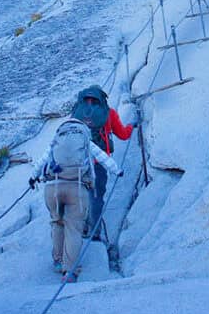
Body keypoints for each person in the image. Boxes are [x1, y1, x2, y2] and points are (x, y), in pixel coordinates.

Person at [29, 119, 122, 281]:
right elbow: (103, 157)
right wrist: (118, 171)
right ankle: (69, 271)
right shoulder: (86, 140)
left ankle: (58, 261)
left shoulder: (56, 141)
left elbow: (42, 160)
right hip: (77, 188)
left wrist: (32, 177)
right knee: (73, 228)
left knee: (57, 222)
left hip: (53, 188)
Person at [69, 85, 133, 239]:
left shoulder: (77, 113)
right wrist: (131, 126)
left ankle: (80, 225)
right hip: (98, 163)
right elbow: (123, 135)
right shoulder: (108, 113)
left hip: (78, 162)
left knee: (81, 195)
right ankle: (95, 231)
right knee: (96, 197)